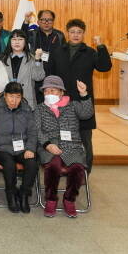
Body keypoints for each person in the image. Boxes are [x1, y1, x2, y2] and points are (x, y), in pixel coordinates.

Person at [46, 18, 112, 172]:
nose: (76, 35)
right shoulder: (58, 51)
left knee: (85, 140)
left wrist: (101, 46)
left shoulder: (90, 52)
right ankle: (64, 168)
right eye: (72, 32)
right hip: (61, 103)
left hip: (83, 102)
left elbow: (105, 67)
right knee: (61, 138)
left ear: (83, 34)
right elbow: (50, 75)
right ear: (67, 33)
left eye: (79, 32)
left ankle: (84, 172)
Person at [35, 76, 93, 218]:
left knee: (77, 168)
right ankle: (51, 199)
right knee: (52, 167)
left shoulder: (73, 105)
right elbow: (36, 130)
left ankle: (69, 199)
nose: (49, 94)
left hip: (72, 146)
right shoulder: (40, 109)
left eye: (53, 90)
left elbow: (87, 114)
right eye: (46, 91)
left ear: (61, 92)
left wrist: (84, 94)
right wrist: (47, 145)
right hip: (50, 146)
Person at [0, 82, 38, 214]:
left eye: (18, 97)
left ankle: (23, 194)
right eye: (11, 97)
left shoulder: (26, 109)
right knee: (9, 164)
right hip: (0, 147)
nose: (14, 100)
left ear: (21, 97)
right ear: (5, 96)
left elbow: (32, 131)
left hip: (21, 148)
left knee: (32, 163)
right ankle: (11, 194)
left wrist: (30, 148)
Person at [22, 9, 66, 103]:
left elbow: (64, 55)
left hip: (55, 76)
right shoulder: (33, 34)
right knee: (38, 103)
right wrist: (26, 22)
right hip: (37, 76)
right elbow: (22, 37)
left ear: (53, 21)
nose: (46, 22)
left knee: (54, 104)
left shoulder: (59, 35)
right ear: (38, 21)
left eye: (49, 20)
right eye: (43, 19)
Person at [0, 29, 46, 110]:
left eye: (20, 39)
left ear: (25, 42)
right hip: (6, 101)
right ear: (10, 42)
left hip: (26, 101)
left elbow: (38, 77)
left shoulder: (32, 59)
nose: (17, 42)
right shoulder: (2, 59)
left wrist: (37, 60)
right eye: (14, 39)